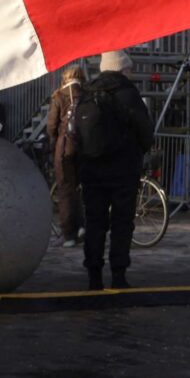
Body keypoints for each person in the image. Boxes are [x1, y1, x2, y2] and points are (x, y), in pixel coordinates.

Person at [63, 51, 153, 290]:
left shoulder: (87, 92)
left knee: (95, 223)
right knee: (122, 223)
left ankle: (94, 275)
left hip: (92, 170)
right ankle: (118, 275)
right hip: (123, 170)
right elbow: (145, 130)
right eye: (128, 68)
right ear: (122, 69)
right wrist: (139, 151)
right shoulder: (128, 93)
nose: (131, 72)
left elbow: (76, 132)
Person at [40, 63, 86, 243]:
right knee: (80, 187)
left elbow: (51, 126)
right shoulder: (87, 95)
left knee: (65, 191)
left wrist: (55, 139)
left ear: (65, 78)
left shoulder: (59, 96)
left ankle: (69, 234)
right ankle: (82, 226)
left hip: (65, 148)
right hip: (83, 148)